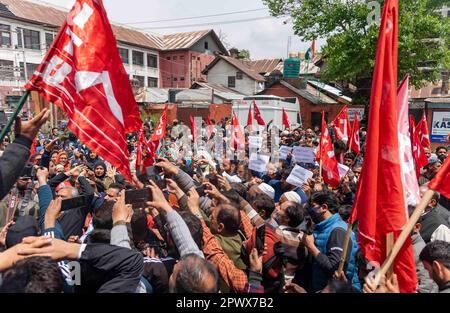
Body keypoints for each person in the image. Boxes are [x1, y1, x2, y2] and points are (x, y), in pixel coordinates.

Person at [302, 191, 360, 292]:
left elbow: (336, 270)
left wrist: (311, 247)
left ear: (324, 207)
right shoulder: (322, 227)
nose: (308, 209)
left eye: (312, 206)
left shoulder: (338, 231)